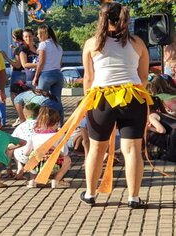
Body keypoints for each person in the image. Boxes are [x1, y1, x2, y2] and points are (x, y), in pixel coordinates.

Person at [81, 2, 150, 208]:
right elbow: (144, 76)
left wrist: (87, 102)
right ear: (124, 19)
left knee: (96, 149)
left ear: (102, 19)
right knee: (132, 149)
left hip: (101, 99)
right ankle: (134, 198)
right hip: (132, 97)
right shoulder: (138, 43)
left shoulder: (92, 44)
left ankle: (90, 194)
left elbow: (88, 78)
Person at [25, 107, 71, 188]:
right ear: (56, 123)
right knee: (67, 159)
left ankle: (33, 180)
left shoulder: (34, 135)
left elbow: (26, 152)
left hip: (37, 166)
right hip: (54, 165)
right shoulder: (58, 136)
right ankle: (56, 180)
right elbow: (65, 152)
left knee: (31, 157)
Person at [33, 24, 64, 103]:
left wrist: (36, 77)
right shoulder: (58, 46)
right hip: (58, 74)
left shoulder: (43, 45)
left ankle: (42, 115)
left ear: (43, 34)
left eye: (38, 33)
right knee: (57, 101)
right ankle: (59, 115)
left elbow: (41, 62)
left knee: (41, 100)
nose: (37, 35)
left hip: (46, 75)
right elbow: (60, 62)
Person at [9, 103, 40, 180]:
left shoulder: (21, 126)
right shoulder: (43, 125)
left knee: (14, 146)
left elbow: (12, 141)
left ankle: (19, 167)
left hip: (23, 156)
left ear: (25, 115)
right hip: (40, 156)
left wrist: (8, 167)